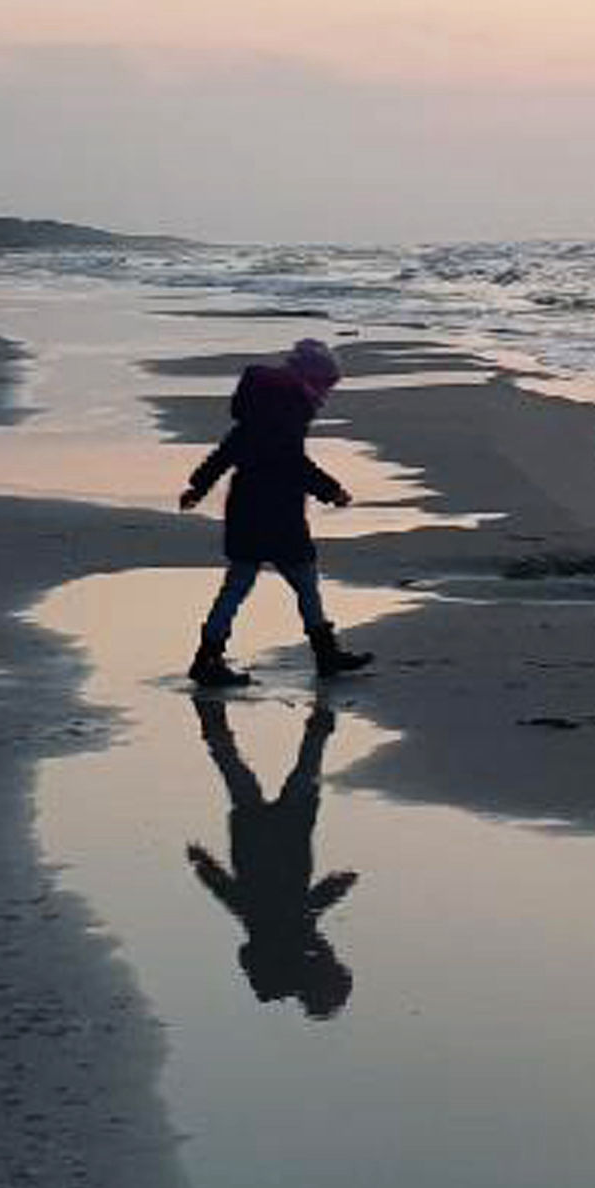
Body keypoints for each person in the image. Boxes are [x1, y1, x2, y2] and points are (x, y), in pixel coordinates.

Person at [177, 336, 374, 687]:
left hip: (245, 510)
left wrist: (198, 487)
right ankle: (325, 654)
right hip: (279, 513)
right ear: (311, 379)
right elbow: (292, 462)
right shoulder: (289, 408)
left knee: (237, 585)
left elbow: (227, 452)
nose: (326, 394)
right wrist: (331, 490)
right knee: (305, 582)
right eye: (326, 384)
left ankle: (207, 657)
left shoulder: (258, 408)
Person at [185, 690, 359, 1019]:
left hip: (286, 842)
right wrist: (204, 866)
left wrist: (338, 886)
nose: (333, 957)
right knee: (239, 774)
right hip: (256, 846)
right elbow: (236, 901)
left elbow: (302, 908)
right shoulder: (281, 948)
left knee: (305, 768)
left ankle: (322, 713)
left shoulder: (289, 944)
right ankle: (212, 721)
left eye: (333, 967)